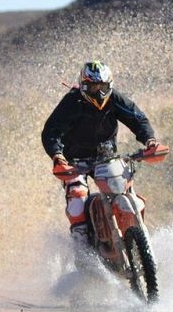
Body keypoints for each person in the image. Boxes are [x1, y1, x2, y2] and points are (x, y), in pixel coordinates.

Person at [41, 61, 159, 246]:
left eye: (101, 86)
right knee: (77, 199)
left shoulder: (115, 99)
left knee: (123, 189)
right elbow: (51, 131)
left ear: (109, 84)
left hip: (106, 157)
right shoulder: (71, 102)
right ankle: (82, 249)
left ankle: (142, 239)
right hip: (73, 161)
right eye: (91, 86)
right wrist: (57, 156)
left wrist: (150, 140)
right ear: (82, 85)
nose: (97, 92)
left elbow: (138, 119)